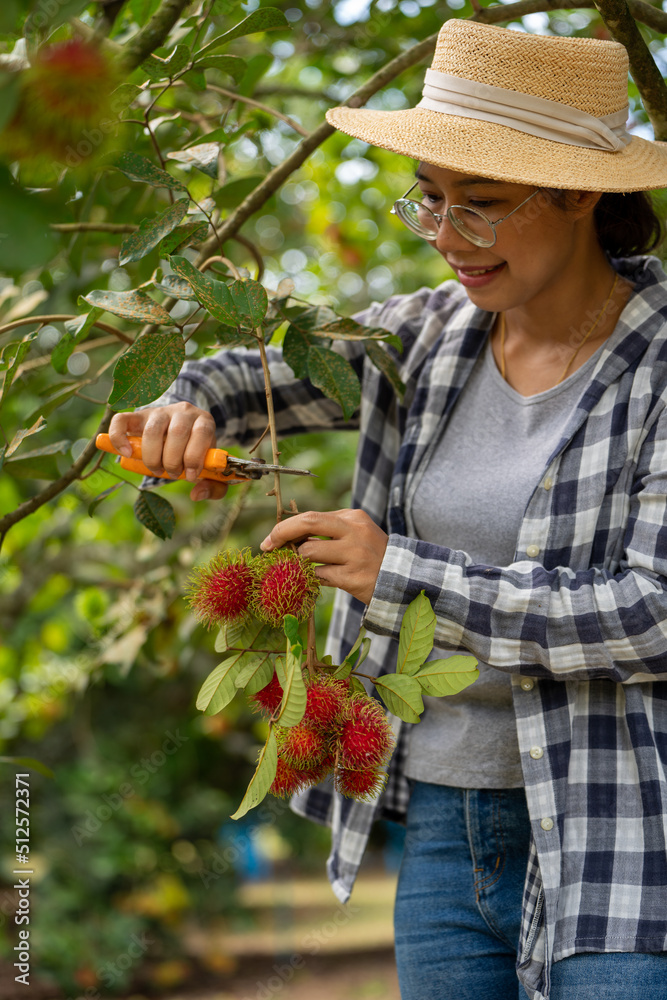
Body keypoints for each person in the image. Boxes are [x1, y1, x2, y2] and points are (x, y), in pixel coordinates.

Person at [108, 19, 667, 1000]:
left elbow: (649, 614)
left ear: (580, 194)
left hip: (619, 833)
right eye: (430, 203)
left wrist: (397, 571)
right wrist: (184, 404)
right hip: (443, 827)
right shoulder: (421, 334)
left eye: (481, 207)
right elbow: (255, 374)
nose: (447, 237)